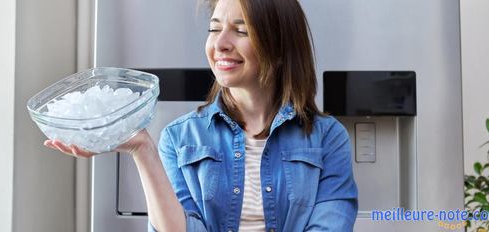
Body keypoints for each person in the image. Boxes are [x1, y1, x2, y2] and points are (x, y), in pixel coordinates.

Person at [45, 0, 358, 231]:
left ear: (278, 47)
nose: (220, 44)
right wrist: (142, 149)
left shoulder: (327, 139)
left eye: (240, 31)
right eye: (215, 29)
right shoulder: (179, 138)